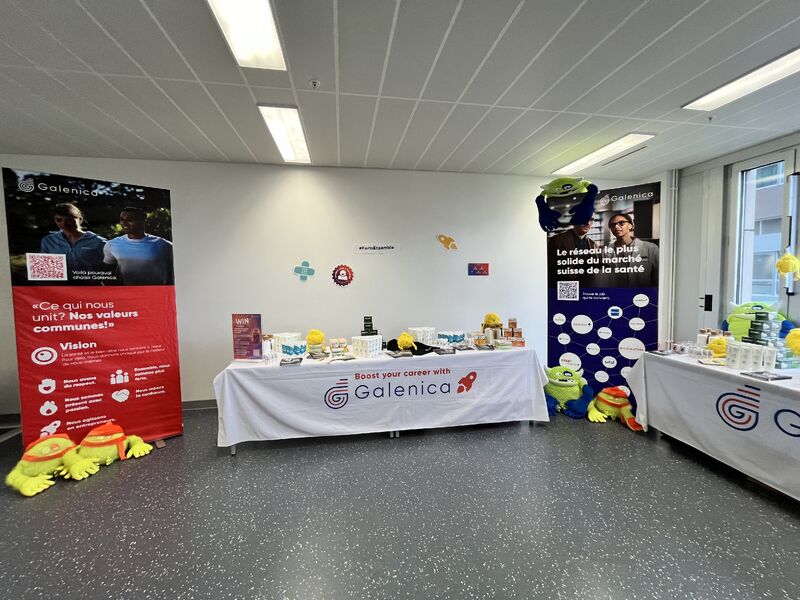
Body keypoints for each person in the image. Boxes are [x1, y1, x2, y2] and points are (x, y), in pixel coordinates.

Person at [103, 206, 174, 285]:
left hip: (156, 291)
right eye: (122, 219)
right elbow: (108, 276)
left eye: (130, 220)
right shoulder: (111, 245)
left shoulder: (163, 244)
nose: (124, 223)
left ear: (143, 221)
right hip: (127, 291)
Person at [40, 202, 107, 274]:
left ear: (80, 220)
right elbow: (45, 271)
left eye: (69, 220)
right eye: (59, 220)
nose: (64, 224)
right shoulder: (48, 241)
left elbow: (110, 269)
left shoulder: (99, 242)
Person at [605, 212, 659, 287]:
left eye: (621, 223)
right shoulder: (607, 251)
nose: (616, 227)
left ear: (630, 225)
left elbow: (658, 277)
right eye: (613, 225)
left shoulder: (651, 248)